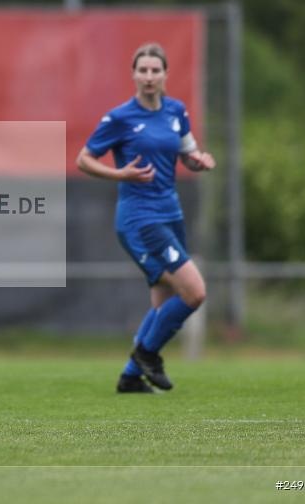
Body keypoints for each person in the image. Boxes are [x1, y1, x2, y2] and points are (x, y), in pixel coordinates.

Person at [75, 43, 215, 393]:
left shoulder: (176, 111)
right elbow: (84, 159)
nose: (149, 76)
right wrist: (120, 174)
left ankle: (130, 377)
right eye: (143, 70)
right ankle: (145, 354)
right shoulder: (121, 118)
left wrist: (197, 161)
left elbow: (187, 151)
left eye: (156, 70)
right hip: (140, 219)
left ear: (165, 74)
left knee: (164, 302)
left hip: (171, 214)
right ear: (134, 75)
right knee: (195, 293)